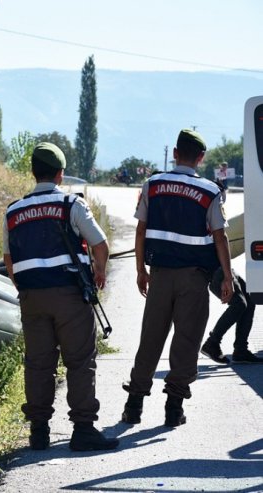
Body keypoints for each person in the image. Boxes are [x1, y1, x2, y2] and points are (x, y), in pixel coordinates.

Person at [3, 142, 119, 452]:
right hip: (69, 295)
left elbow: (9, 260)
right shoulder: (72, 204)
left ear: (32, 172)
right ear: (60, 174)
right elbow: (101, 245)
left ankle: (39, 432)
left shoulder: (13, 211)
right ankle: (83, 429)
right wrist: (99, 273)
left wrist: (24, 290)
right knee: (79, 361)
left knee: (38, 364)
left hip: (31, 297)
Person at [121, 129, 233, 428]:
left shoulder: (152, 185)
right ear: (200, 158)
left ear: (174, 153)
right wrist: (228, 277)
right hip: (193, 280)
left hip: (159, 276)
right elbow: (220, 237)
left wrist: (140, 270)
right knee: (186, 341)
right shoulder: (210, 191)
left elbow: (140, 230)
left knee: (151, 339)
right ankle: (173, 408)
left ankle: (133, 406)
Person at [201, 268, 262, 363]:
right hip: (216, 271)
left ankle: (241, 350)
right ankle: (212, 343)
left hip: (227, 269)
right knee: (239, 304)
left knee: (249, 302)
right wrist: (227, 278)